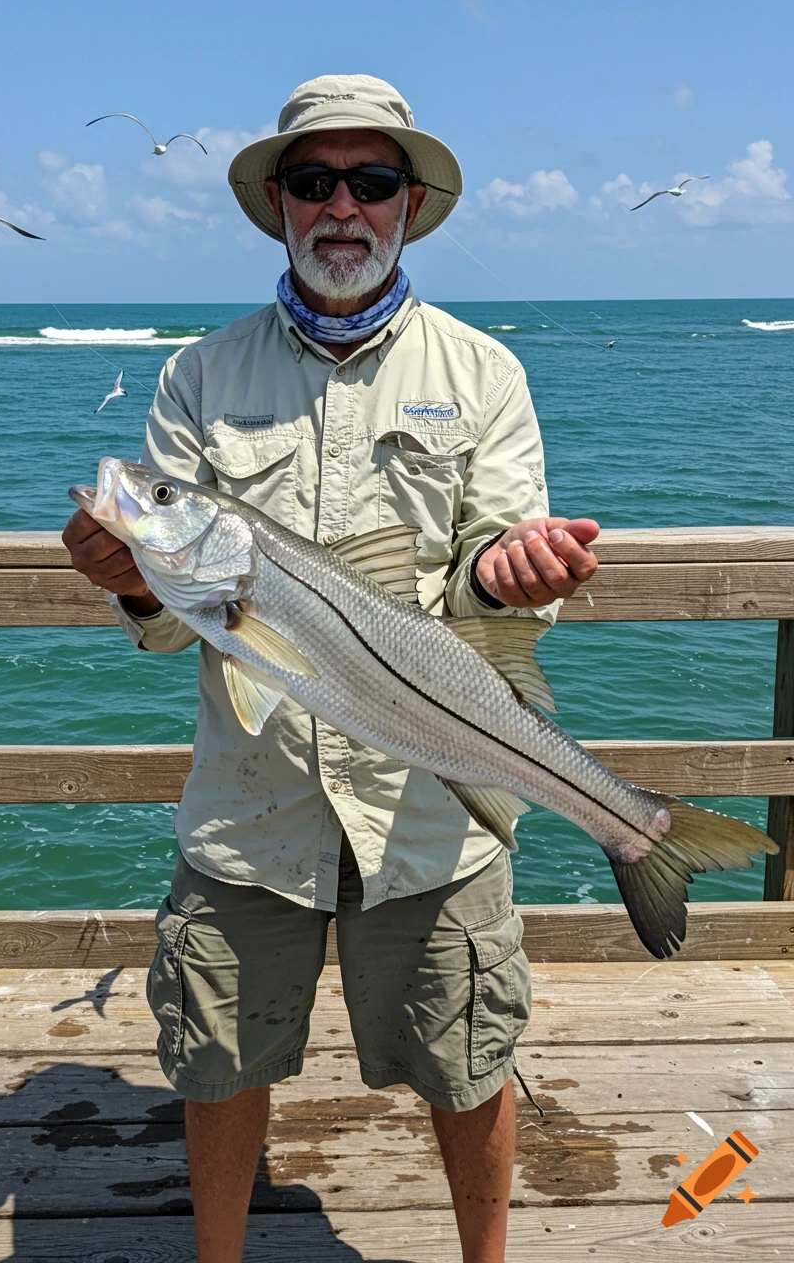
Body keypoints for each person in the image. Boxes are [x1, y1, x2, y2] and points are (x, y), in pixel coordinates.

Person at [63, 74, 599, 1263]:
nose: (341, 207)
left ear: (410, 203)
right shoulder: (195, 377)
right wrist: (134, 571)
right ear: (279, 204)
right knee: (216, 1059)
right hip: (248, 812)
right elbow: (168, 619)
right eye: (313, 182)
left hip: (429, 808)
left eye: (370, 181)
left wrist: (509, 574)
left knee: (467, 1059)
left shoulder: (483, 374)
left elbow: (491, 596)